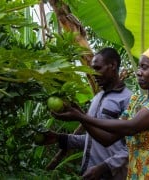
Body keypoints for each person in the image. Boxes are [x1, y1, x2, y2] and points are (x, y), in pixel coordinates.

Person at [53, 44, 149, 179]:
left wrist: (81, 117)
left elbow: (131, 127)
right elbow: (108, 138)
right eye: (139, 67)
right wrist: (81, 117)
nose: (138, 72)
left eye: (144, 67)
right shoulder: (137, 101)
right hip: (139, 174)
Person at [44, 47, 132, 180]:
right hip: (89, 173)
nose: (93, 73)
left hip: (111, 176)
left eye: (97, 68)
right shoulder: (97, 97)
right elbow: (93, 139)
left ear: (113, 65)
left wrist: (104, 167)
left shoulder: (128, 100)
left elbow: (131, 147)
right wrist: (60, 138)